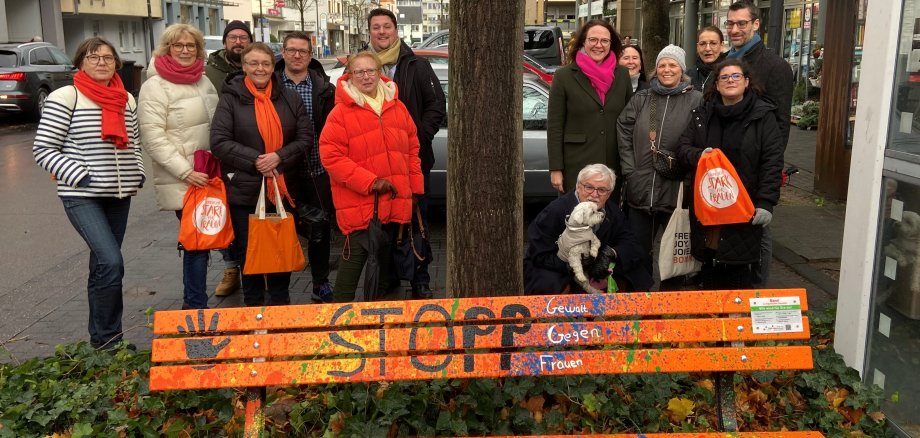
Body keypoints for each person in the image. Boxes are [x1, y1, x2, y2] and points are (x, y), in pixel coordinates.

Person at [33, 37, 145, 349]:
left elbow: (134, 143)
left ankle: (106, 340)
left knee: (103, 266)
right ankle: (108, 340)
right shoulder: (65, 97)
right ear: (81, 61)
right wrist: (81, 175)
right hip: (81, 195)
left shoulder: (125, 99)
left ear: (116, 64)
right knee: (111, 261)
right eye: (93, 57)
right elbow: (43, 149)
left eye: (108, 58)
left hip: (120, 195)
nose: (101, 63)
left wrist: (139, 172)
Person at [210, 43, 310, 307]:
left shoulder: (290, 98)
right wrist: (256, 161)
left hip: (282, 189)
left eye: (265, 64)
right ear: (243, 66)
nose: (260, 69)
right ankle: (253, 311)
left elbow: (305, 138)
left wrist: (279, 156)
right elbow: (219, 141)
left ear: (272, 66)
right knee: (249, 254)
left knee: (280, 250)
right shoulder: (231, 98)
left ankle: (279, 308)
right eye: (253, 63)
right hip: (245, 190)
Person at [319, 51, 423, 303]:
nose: (366, 76)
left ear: (380, 73)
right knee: (353, 260)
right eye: (359, 72)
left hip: (393, 199)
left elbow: (412, 150)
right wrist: (369, 182)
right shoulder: (340, 113)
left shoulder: (397, 107)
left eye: (371, 71)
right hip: (360, 201)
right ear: (350, 77)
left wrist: (415, 191)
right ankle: (338, 319)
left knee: (382, 264)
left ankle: (374, 317)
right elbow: (331, 157)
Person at [675, 59, 783, 290]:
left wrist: (766, 202)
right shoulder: (702, 115)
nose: (730, 81)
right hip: (709, 208)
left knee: (739, 270)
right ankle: (712, 321)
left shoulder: (762, 116)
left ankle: (735, 321)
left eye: (736, 76)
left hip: (745, 208)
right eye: (724, 77)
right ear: (717, 84)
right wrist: (699, 155)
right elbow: (683, 148)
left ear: (746, 82)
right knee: (710, 266)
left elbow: (772, 162)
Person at [365, 8, 446, 299]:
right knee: (382, 222)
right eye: (376, 27)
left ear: (396, 30)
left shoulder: (416, 65)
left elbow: (436, 106)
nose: (382, 32)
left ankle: (419, 280)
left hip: (413, 160)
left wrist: (416, 138)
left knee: (415, 220)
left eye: (387, 26)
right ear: (370, 32)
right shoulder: (361, 66)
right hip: (374, 162)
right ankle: (387, 277)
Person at [138, 24, 219, 310]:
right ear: (167, 49)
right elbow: (153, 136)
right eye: (178, 45)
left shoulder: (203, 81)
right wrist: (185, 172)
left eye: (191, 45)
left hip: (209, 175)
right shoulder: (154, 86)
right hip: (185, 178)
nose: (185, 50)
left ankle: (197, 302)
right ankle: (194, 308)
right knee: (196, 243)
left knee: (205, 240)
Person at [616, 45, 703, 288]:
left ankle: (669, 300)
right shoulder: (644, 98)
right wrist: (629, 169)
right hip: (640, 187)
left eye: (672, 65)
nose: (667, 69)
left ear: (682, 70)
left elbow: (701, 137)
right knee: (638, 249)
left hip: (675, 189)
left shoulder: (696, 99)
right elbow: (623, 128)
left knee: (673, 250)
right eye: (662, 65)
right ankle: (641, 300)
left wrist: (689, 175)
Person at [725, 0, 794, 286]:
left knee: (759, 231)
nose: (735, 29)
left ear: (756, 24)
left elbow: (780, 127)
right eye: (730, 23)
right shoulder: (728, 60)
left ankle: (757, 295)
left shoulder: (774, 65)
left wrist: (769, 173)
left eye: (742, 23)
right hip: (726, 161)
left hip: (754, 166)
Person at [524, 164, 652, 294]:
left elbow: (631, 242)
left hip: (596, 264)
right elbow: (538, 253)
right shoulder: (556, 210)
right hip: (560, 265)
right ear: (578, 187)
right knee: (547, 281)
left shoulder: (613, 212)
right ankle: (559, 312)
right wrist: (572, 265)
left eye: (602, 190)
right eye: (589, 187)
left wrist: (611, 253)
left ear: (609, 193)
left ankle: (632, 309)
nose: (594, 194)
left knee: (638, 268)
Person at [276, 31, 337, 303]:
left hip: (318, 170)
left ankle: (320, 282)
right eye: (292, 50)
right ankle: (280, 288)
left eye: (303, 50)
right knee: (282, 229)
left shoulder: (324, 87)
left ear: (310, 55)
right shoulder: (273, 85)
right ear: (283, 52)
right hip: (282, 172)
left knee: (320, 230)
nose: (297, 55)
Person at [547, 19, 632, 197]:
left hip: (612, 164)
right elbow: (555, 126)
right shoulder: (564, 76)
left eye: (604, 41)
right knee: (576, 219)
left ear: (611, 44)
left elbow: (629, 121)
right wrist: (556, 168)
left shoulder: (622, 75)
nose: (598, 45)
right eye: (593, 40)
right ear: (583, 41)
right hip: (576, 165)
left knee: (608, 221)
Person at [206, 20, 253, 93]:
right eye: (233, 37)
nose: (238, 42)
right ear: (224, 43)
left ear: (250, 43)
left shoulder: (260, 71)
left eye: (243, 38)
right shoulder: (208, 73)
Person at [689, 26, 726, 94]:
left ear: (722, 46)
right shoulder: (688, 75)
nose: (707, 49)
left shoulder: (729, 73)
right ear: (697, 47)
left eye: (713, 43)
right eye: (702, 44)